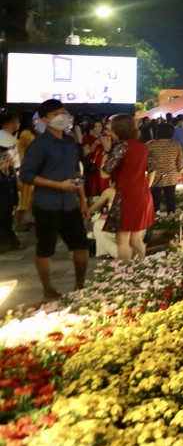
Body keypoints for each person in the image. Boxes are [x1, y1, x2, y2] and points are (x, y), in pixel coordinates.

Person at [18, 99, 89, 299]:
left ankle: (80, 285)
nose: (62, 116)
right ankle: (48, 288)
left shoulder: (69, 142)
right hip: (47, 204)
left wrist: (82, 199)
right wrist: (58, 185)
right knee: (45, 249)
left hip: (70, 203)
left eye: (63, 112)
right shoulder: (39, 144)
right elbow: (26, 175)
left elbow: (76, 171)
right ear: (45, 119)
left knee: (81, 246)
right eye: (56, 113)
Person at [99, 114, 154, 261]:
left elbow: (104, 173)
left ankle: (125, 271)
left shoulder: (121, 147)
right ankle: (141, 267)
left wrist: (106, 151)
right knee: (136, 238)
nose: (108, 132)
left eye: (110, 128)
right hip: (142, 194)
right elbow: (152, 169)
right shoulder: (142, 146)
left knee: (122, 238)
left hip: (126, 196)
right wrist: (145, 186)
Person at [146, 122, 183, 215]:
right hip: (171, 176)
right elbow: (180, 162)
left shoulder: (151, 145)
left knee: (155, 198)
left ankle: (154, 216)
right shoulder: (176, 145)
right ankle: (171, 215)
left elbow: (146, 160)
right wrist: (178, 170)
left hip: (155, 176)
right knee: (170, 197)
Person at [0, 112, 23, 252]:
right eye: (16, 121)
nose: (17, 124)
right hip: (4, 179)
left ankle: (8, 239)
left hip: (8, 178)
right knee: (4, 210)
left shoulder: (9, 140)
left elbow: (13, 161)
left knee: (8, 208)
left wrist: (16, 177)